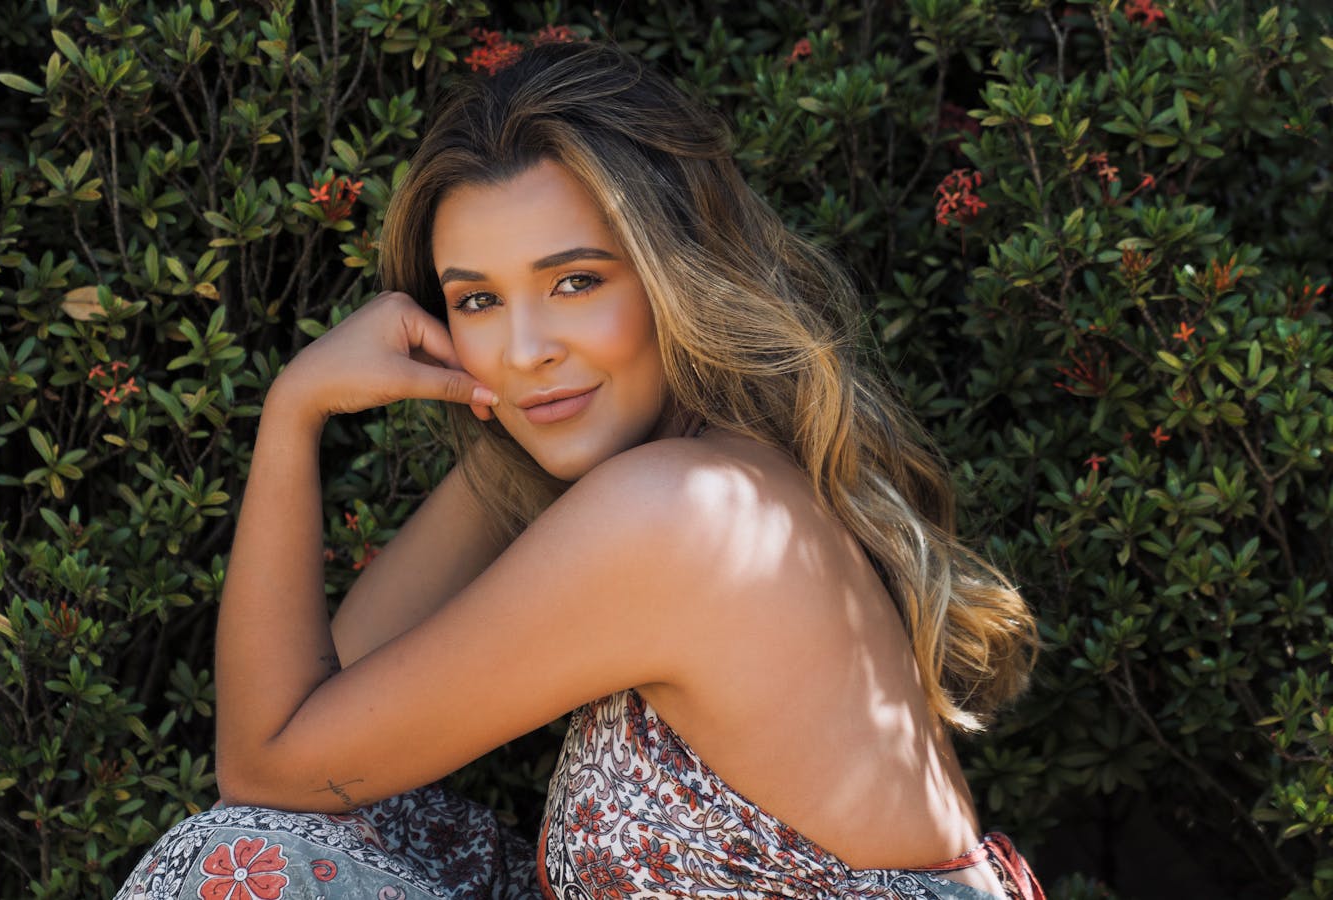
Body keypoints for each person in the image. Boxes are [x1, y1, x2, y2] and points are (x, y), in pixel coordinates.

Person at [115, 40, 1044, 900]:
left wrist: (289, 415)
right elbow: (322, 733)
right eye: (476, 300)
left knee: (229, 869)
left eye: (576, 282)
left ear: (676, 276)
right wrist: (310, 409)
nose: (524, 351)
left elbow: (274, 761)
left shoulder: (680, 512)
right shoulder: (707, 471)